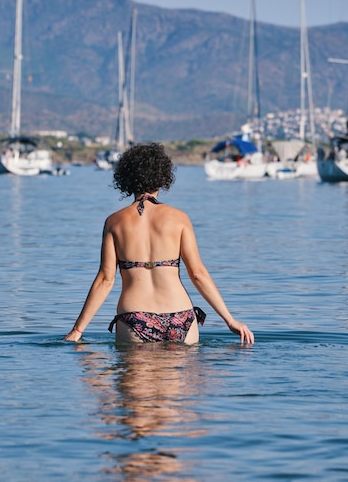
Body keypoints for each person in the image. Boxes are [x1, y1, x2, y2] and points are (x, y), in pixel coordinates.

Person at [64, 142, 254, 345]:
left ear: (127, 178)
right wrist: (230, 320)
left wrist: (77, 330)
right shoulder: (179, 219)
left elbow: (105, 280)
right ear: (163, 177)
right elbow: (198, 274)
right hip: (181, 317)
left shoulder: (114, 222)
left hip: (135, 319)